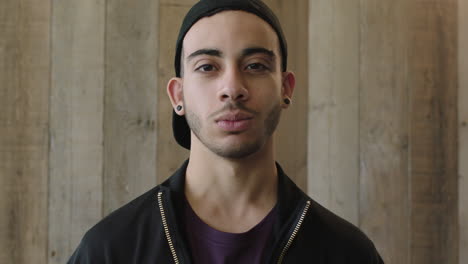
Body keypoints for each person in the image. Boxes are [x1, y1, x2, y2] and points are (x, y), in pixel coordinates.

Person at [68, 0, 384, 263]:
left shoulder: (347, 254)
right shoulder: (110, 250)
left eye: (256, 65)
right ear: (178, 96)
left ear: (286, 88)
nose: (232, 88)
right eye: (207, 66)